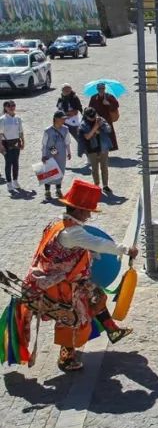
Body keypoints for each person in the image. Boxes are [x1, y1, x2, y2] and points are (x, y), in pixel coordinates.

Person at [13, 180, 136, 372]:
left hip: (62, 279)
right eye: (87, 211)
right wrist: (126, 249)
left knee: (97, 295)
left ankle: (112, 330)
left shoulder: (58, 223)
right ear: (78, 210)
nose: (88, 215)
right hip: (59, 285)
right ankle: (66, 358)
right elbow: (99, 243)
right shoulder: (73, 232)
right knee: (72, 318)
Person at [78, 108, 112, 194]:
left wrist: (102, 126)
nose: (93, 118)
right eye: (91, 117)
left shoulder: (100, 119)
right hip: (91, 149)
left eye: (94, 116)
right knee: (94, 169)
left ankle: (105, 185)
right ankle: (96, 185)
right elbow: (87, 137)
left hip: (103, 147)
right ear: (86, 116)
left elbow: (109, 129)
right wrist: (95, 127)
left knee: (104, 167)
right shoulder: (83, 125)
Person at [40, 111, 71, 200]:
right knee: (49, 172)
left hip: (61, 154)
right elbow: (44, 144)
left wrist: (69, 152)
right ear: (56, 119)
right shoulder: (48, 130)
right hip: (49, 155)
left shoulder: (65, 129)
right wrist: (43, 155)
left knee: (60, 171)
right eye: (62, 119)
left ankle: (58, 189)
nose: (64, 120)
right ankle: (47, 191)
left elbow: (67, 142)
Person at [87, 83, 120, 152]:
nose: (101, 90)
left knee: (108, 134)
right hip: (97, 119)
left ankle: (108, 149)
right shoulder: (93, 97)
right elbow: (90, 108)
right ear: (97, 89)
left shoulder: (109, 96)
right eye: (99, 89)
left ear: (104, 89)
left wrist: (108, 104)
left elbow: (116, 105)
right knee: (97, 134)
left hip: (107, 119)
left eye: (102, 88)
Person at [1, 100, 24, 192]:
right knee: (8, 162)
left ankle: (15, 180)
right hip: (6, 143)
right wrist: (1, 146)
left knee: (16, 162)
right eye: (9, 106)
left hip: (16, 142)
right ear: (5, 108)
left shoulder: (18, 118)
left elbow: (21, 132)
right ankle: (9, 182)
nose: (12, 107)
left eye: (13, 105)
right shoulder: (2, 119)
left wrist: (23, 141)